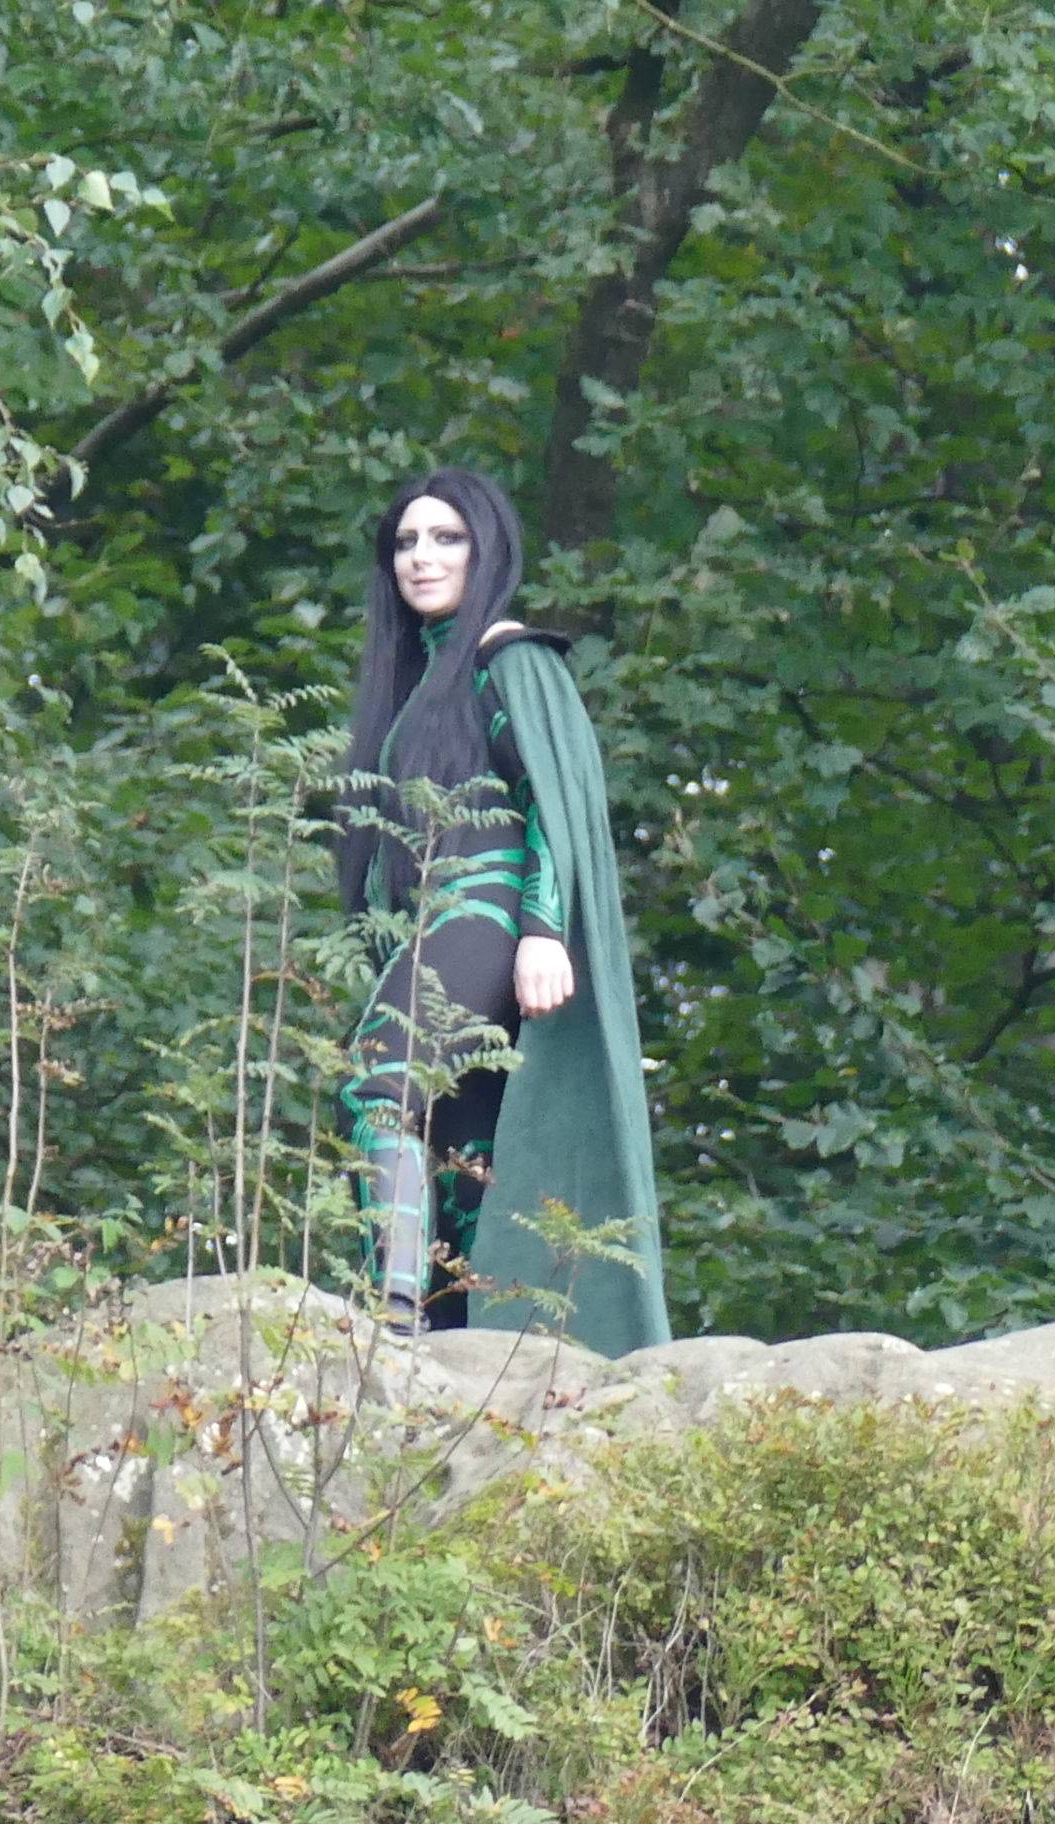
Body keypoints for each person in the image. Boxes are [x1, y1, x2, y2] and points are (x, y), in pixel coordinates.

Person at [336, 466, 671, 1355]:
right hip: (439, 926)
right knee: (466, 1162)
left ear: (487, 551)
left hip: (486, 911)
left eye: (446, 538)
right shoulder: (421, 682)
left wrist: (543, 932)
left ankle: (393, 1316)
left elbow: (549, 804)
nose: (422, 557)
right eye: (406, 541)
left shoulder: (508, 659)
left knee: (377, 1084)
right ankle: (453, 1348)